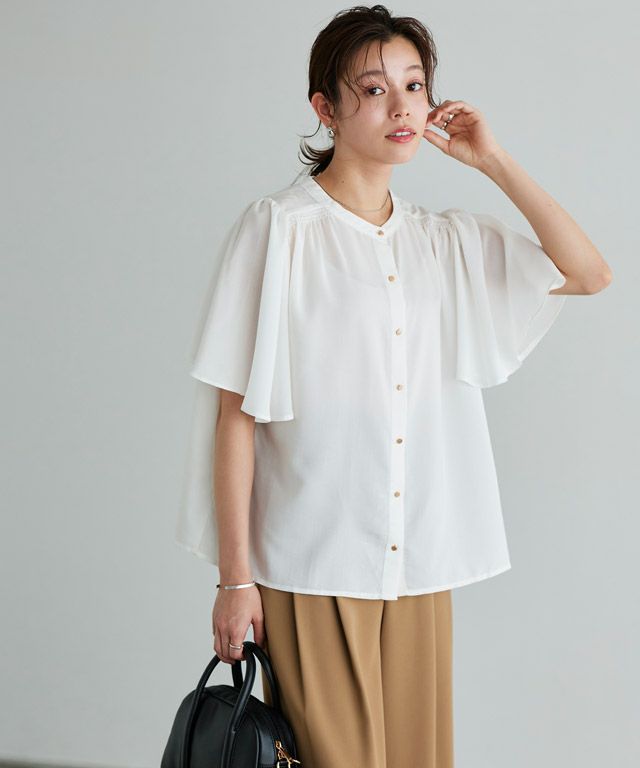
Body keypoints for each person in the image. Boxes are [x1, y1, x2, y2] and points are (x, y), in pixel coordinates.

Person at [175, 5, 612, 767]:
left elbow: (589, 272)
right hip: (313, 561)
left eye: (414, 85)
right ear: (326, 109)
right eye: (375, 89)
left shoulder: (441, 241)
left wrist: (493, 160)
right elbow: (236, 414)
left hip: (418, 563)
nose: (402, 106)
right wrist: (234, 580)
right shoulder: (280, 230)